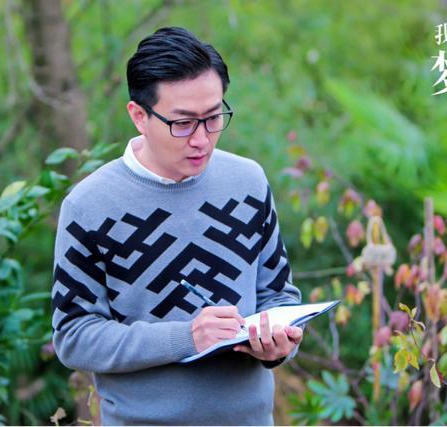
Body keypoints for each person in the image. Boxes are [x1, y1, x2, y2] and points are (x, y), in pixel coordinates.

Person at [50, 27, 303, 425]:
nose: (202, 139)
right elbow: (74, 336)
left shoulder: (248, 182)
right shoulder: (90, 206)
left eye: (214, 117)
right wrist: (184, 338)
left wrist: (279, 343)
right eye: (183, 123)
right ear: (139, 116)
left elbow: (278, 295)